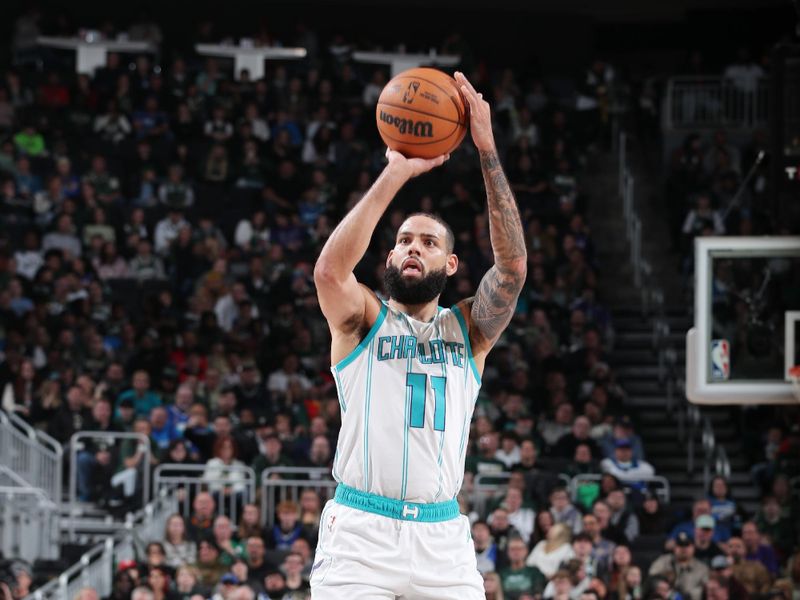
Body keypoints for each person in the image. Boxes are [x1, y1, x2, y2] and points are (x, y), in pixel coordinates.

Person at [310, 71, 526, 599]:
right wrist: (397, 173)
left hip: (441, 538)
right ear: (388, 256)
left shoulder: (470, 330)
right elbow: (329, 275)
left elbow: (513, 267)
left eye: (428, 242)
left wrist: (487, 149)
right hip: (361, 534)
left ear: (451, 263)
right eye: (404, 239)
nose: (413, 247)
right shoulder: (362, 320)